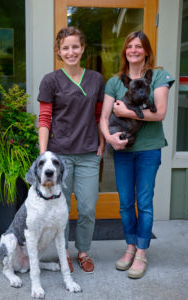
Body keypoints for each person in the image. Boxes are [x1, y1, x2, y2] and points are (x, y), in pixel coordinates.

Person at [100, 31, 174, 279]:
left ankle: (141, 252)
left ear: (146, 51)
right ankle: (130, 246)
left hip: (149, 150)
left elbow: (160, 112)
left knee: (144, 202)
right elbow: (103, 118)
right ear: (125, 51)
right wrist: (109, 138)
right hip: (122, 148)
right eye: (130, 46)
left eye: (138, 46)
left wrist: (129, 114)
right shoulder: (114, 82)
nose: (134, 50)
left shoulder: (159, 76)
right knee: (124, 203)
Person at [37, 27, 105, 274]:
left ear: (83, 48)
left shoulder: (96, 79)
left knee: (87, 207)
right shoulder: (51, 80)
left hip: (88, 153)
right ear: (59, 51)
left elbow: (99, 116)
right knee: (60, 209)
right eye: (65, 48)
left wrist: (102, 141)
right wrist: (45, 156)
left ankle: (83, 251)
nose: (71, 51)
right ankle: (63, 252)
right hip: (60, 156)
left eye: (75, 46)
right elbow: (44, 118)